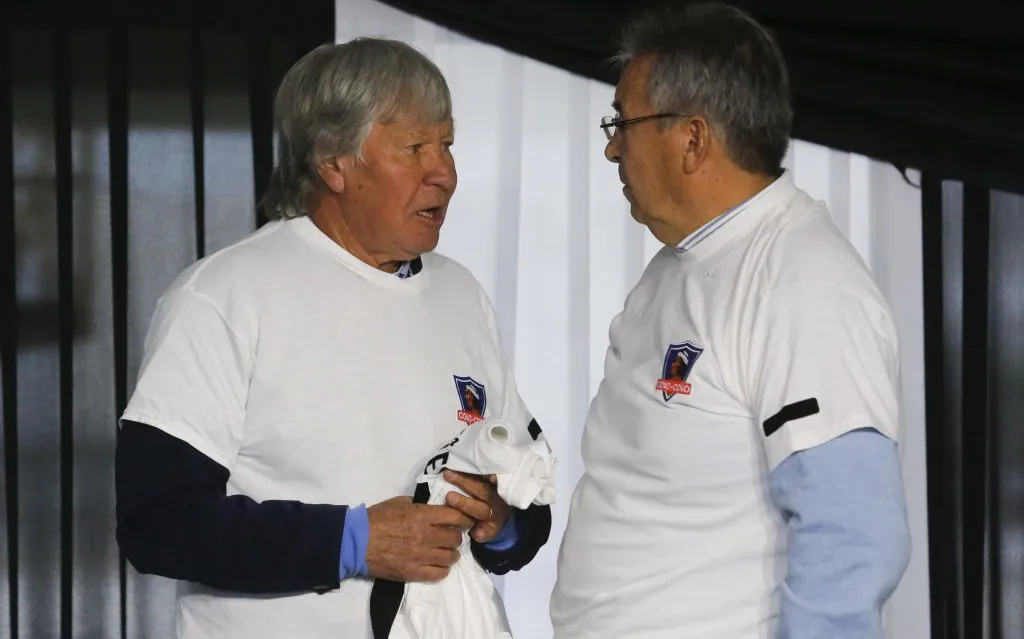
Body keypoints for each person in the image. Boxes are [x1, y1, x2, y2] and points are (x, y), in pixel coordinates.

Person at [114, 38, 551, 639]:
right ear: (333, 162)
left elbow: (525, 516)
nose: (445, 173)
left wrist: (497, 522)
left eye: (447, 144)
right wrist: (354, 542)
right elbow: (158, 524)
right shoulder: (222, 297)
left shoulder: (462, 295)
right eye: (415, 147)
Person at [550, 3, 911, 639]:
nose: (611, 148)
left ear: (692, 139)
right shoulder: (676, 267)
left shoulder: (801, 282)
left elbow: (852, 536)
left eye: (622, 123)